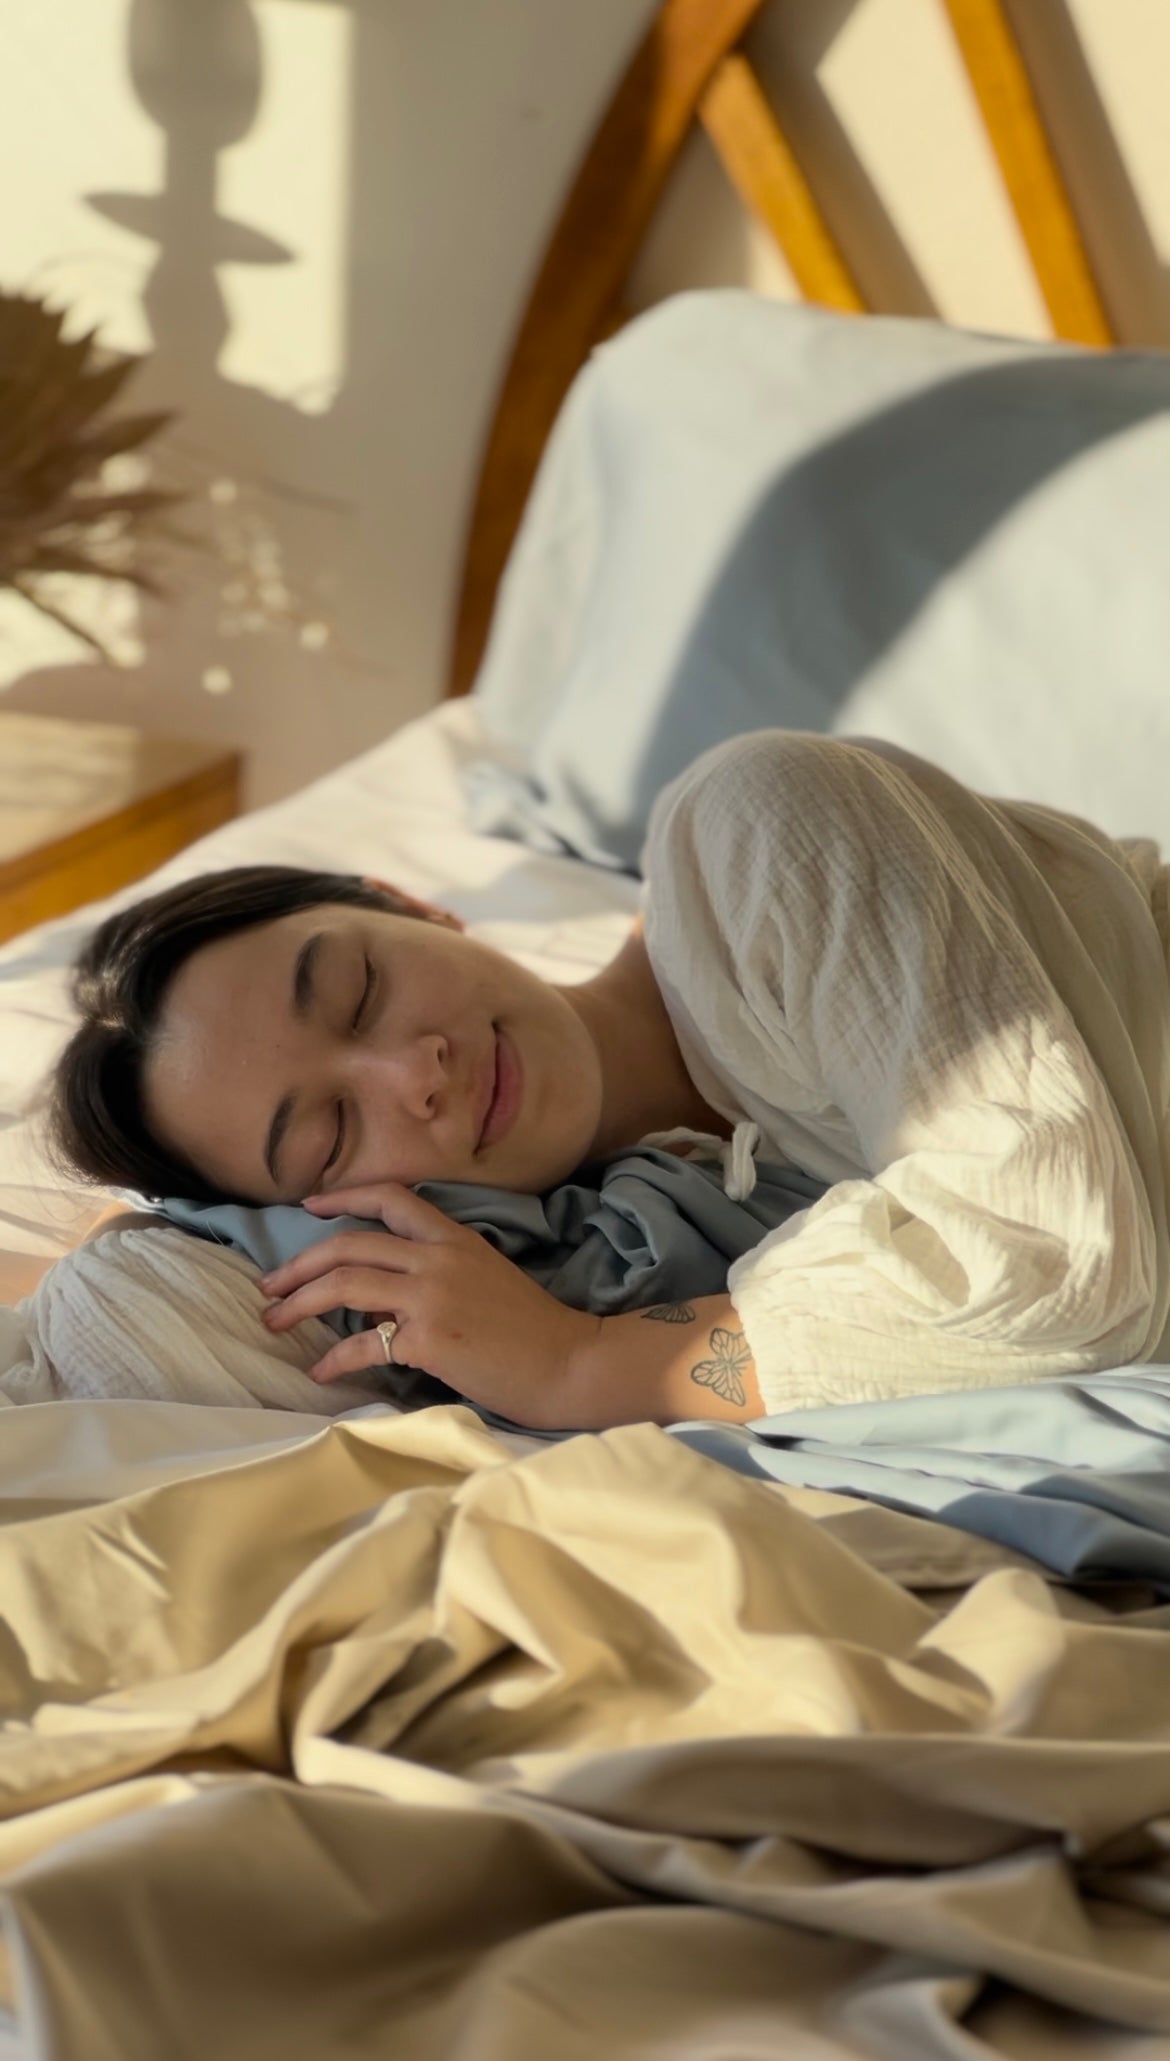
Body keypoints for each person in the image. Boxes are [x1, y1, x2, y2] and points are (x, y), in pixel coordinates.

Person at [48, 730, 1170, 1433]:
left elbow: (1059, 1267)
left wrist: (583, 1369)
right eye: (332, 1135)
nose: (412, 1073)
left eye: (359, 989)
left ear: (411, 905)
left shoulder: (756, 832)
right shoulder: (591, 1243)